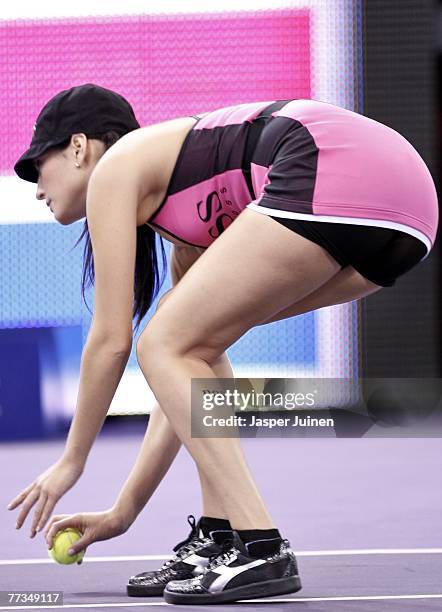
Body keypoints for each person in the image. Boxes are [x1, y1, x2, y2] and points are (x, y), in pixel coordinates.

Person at [8, 83, 438, 604]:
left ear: (79, 148)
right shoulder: (189, 227)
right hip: (406, 218)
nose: (36, 187)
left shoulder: (117, 167)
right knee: (187, 344)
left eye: (38, 166)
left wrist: (72, 461)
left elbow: (110, 341)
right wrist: (124, 512)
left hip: (341, 170)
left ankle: (260, 543)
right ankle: (222, 536)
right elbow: (187, 379)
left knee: (163, 341)